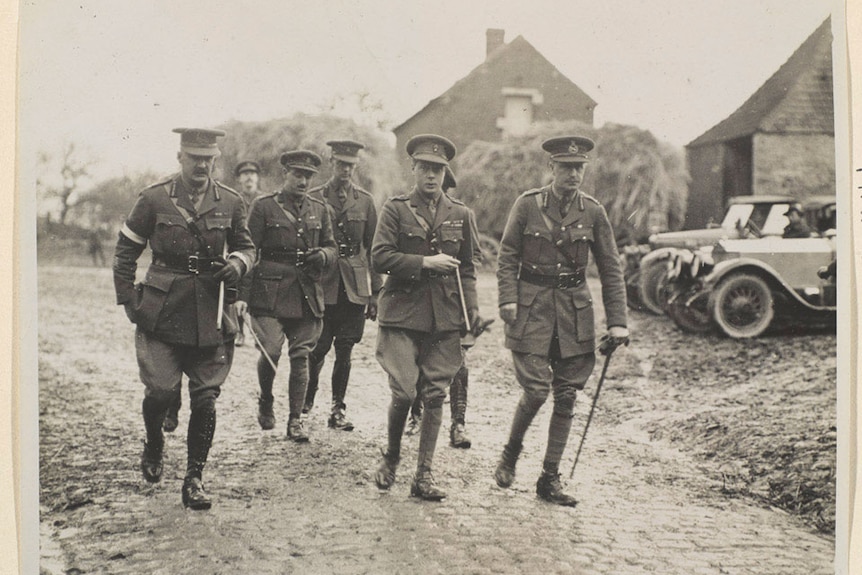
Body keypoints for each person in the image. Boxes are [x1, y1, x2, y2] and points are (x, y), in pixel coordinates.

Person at [112, 127, 255, 510]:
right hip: (160, 310)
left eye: (208, 159)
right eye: (194, 159)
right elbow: (126, 251)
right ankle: (155, 441)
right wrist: (129, 301)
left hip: (210, 309)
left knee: (206, 398)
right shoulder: (154, 198)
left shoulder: (231, 201)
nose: (202, 166)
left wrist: (238, 265)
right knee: (160, 391)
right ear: (180, 158)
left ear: (215, 160)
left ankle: (194, 477)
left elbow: (246, 246)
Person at [494, 135, 629, 507]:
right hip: (532, 310)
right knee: (537, 391)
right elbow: (506, 255)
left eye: (579, 167)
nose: (573, 174)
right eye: (566, 167)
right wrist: (507, 298)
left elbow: (611, 268)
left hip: (573, 313)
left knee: (567, 396)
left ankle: (549, 479)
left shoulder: (593, 211)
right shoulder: (527, 206)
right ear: (551, 168)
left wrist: (618, 321)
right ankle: (511, 452)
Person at [372, 134, 484, 501]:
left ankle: (423, 475)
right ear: (414, 169)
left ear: (445, 172)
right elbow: (380, 257)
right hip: (403, 314)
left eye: (438, 169)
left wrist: (472, 313)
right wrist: (423, 263)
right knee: (405, 390)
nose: (432, 176)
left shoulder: (460, 214)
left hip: (444, 316)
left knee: (435, 395)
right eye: (425, 168)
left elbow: (467, 268)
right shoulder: (395, 209)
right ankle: (391, 457)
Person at [236, 150, 337, 442]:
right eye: (298, 174)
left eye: (308, 176)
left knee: (301, 355)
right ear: (285, 175)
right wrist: (242, 295)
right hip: (269, 293)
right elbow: (249, 250)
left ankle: (295, 420)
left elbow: (333, 248)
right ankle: (266, 398)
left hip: (306, 292)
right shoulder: (263, 207)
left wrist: (323, 255)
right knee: (271, 350)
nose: (303, 181)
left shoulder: (320, 209)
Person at [162, 158, 265, 430]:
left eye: (253, 175)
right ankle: (172, 399)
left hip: (222, 279)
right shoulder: (221, 197)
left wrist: (238, 266)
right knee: (174, 346)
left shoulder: (259, 204)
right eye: (244, 175)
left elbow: (248, 248)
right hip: (183, 282)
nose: (249, 180)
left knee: (205, 354)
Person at [404, 167, 491, 449]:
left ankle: (459, 424)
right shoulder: (411, 214)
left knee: (459, 365)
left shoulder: (462, 215)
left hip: (453, 300)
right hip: (420, 300)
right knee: (418, 362)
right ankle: (416, 414)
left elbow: (472, 256)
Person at [304, 140, 381, 431]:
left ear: (355, 166)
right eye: (340, 164)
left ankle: (338, 408)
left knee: (345, 348)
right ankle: (307, 396)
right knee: (317, 347)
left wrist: (375, 292)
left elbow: (374, 248)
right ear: (332, 163)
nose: (345, 169)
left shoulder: (365, 200)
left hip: (354, 284)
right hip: (323, 280)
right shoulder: (314, 197)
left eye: (350, 165)